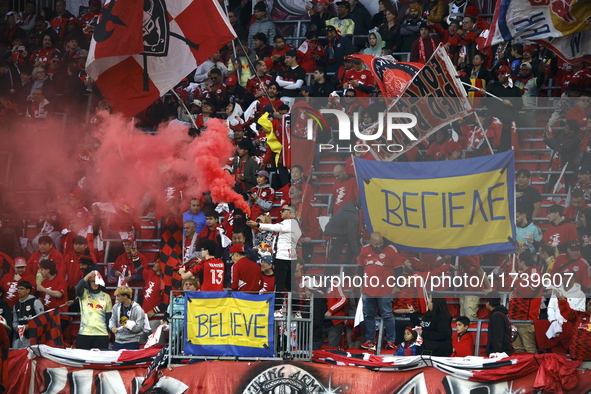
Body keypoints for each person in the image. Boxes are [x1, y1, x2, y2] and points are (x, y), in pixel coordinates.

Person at [246, 204, 301, 313]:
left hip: (282, 258)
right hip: (291, 258)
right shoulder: (295, 225)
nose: (280, 212)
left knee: (280, 284)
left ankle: (277, 309)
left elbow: (275, 227)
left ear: (290, 212)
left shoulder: (289, 223)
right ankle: (296, 310)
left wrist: (258, 224)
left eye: (283, 210)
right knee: (291, 285)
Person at [358, 233, 406, 350]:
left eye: (380, 243)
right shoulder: (364, 250)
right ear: (370, 241)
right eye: (376, 244)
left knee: (387, 315)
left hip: (385, 289)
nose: (379, 246)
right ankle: (370, 340)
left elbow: (398, 269)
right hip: (368, 289)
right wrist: (360, 284)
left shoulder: (391, 250)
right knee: (368, 315)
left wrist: (396, 284)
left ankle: (390, 341)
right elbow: (360, 269)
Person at [75, 270, 112, 350]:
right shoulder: (84, 294)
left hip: (101, 334)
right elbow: (78, 289)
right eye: (93, 281)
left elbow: (109, 316)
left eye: (97, 282)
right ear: (89, 282)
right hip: (85, 332)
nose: (95, 284)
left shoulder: (106, 296)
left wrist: (109, 332)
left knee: (99, 360)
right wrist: (88, 275)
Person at [556, 289, 591, 360]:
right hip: (577, 355)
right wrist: (562, 300)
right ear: (587, 306)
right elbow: (566, 311)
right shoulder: (579, 315)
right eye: (590, 304)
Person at [12, 281, 44, 348]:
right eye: (18, 289)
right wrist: (16, 327)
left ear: (28, 290)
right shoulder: (16, 305)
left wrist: (29, 325)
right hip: (19, 337)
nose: (19, 291)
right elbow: (15, 321)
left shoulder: (35, 302)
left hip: (32, 337)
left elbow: (42, 318)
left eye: (22, 289)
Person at [485, 291, 512, 356]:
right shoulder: (500, 314)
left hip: (499, 353)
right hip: (502, 351)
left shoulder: (496, 316)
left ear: (488, 303)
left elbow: (497, 336)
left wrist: (496, 352)